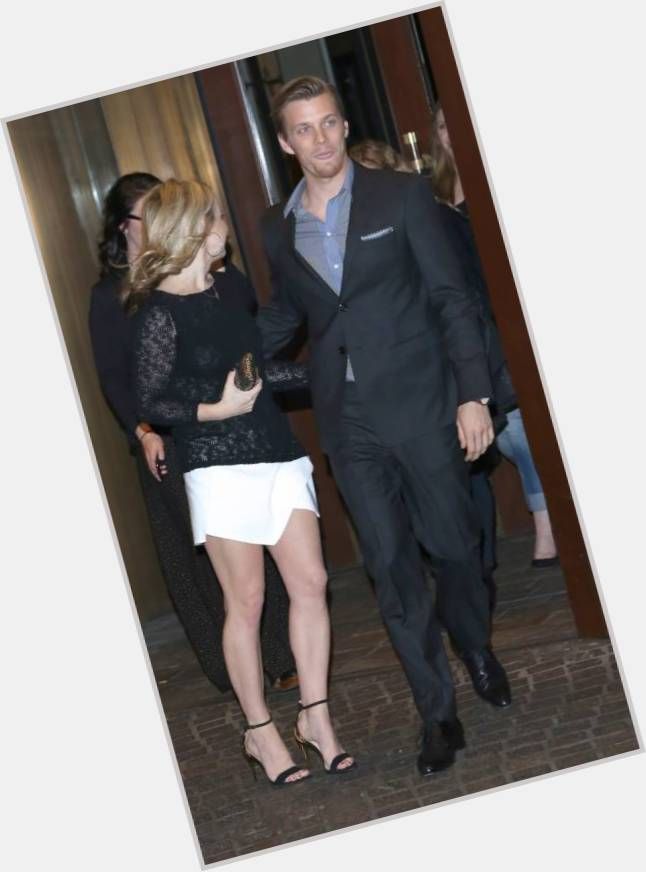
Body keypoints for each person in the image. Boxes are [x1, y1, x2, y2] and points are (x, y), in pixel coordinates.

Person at [257, 75, 512, 778]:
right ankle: (437, 712)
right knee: (391, 568)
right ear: (285, 142)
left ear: (344, 125)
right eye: (304, 129)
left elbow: (451, 297)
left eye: (329, 123)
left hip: (424, 406)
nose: (321, 139)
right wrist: (228, 356)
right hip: (349, 425)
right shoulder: (278, 227)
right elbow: (290, 312)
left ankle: (474, 644)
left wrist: (473, 395)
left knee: (455, 548)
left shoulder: (401, 196)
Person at [130, 178, 355, 786]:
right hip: (217, 465)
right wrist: (214, 411)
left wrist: (332, 373)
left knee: (311, 582)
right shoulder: (158, 314)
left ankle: (315, 717)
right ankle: (260, 731)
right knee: (247, 602)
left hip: (277, 453)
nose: (225, 226)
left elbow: (258, 371)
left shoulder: (230, 291)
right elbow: (150, 399)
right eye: (217, 217)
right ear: (195, 228)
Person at [88, 172, 298, 696]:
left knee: (252, 546)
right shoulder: (111, 295)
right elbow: (116, 376)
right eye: (148, 213)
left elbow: (247, 319)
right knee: (193, 556)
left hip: (230, 429)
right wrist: (143, 430)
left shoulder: (209, 269)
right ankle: (226, 667)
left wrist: (215, 264)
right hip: (164, 434)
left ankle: (279, 656)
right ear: (124, 226)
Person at [429, 105, 559, 569]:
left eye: (456, 123)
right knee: (507, 431)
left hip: (512, 311)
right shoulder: (436, 192)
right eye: (442, 126)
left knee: (522, 425)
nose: (450, 133)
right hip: (475, 320)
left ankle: (547, 524)